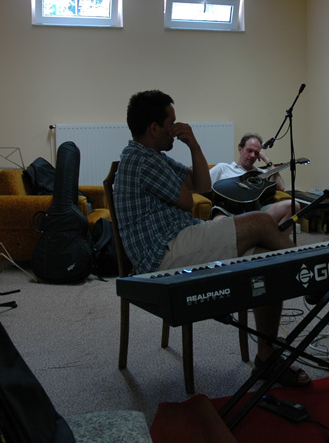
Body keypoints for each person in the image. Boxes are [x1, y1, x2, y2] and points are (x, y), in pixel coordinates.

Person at [113, 90, 311, 387]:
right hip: (165, 253)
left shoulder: (154, 157)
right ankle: (312, 276)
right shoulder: (142, 159)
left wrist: (193, 143)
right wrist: (185, 176)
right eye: (171, 122)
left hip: (180, 240)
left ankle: (266, 358)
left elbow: (203, 185)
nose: (176, 128)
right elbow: (187, 201)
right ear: (154, 128)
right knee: (261, 221)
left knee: (265, 260)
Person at [209, 133, 300, 224]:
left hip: (256, 212)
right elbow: (203, 186)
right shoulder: (223, 168)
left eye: (256, 153)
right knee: (220, 224)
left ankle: (276, 234)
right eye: (249, 151)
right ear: (240, 149)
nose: (252, 155)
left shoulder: (261, 173)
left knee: (294, 206)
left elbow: (281, 187)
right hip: (227, 211)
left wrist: (267, 160)